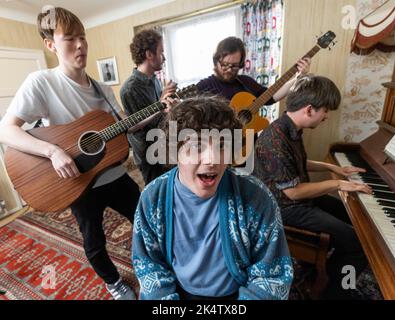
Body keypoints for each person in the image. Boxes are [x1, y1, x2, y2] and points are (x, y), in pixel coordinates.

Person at [0, 7, 143, 300]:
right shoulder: (41, 82)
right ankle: (114, 283)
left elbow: (120, 126)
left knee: (146, 220)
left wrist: (156, 111)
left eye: (83, 37)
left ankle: (151, 263)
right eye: (69, 39)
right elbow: (6, 130)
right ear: (50, 44)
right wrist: (51, 151)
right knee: (94, 241)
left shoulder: (103, 88)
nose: (80, 45)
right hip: (79, 183)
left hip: (114, 173)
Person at [132, 95, 293, 300]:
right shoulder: (153, 199)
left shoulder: (255, 197)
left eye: (222, 145)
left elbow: (272, 276)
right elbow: (150, 267)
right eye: (197, 146)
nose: (213, 159)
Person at [253, 75, 372, 299]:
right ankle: (337, 292)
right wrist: (337, 184)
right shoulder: (275, 138)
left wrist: (333, 168)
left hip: (295, 199)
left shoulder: (290, 128)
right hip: (284, 207)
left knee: (351, 218)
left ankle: (323, 269)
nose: (326, 116)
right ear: (309, 109)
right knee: (357, 243)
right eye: (325, 110)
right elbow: (293, 191)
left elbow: (296, 163)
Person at [120, 29, 177, 185]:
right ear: (149, 54)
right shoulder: (130, 88)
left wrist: (167, 100)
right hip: (149, 154)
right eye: (161, 52)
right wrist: (160, 104)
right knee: (157, 192)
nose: (164, 57)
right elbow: (134, 127)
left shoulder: (154, 79)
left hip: (164, 145)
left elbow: (160, 111)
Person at [196, 36, 311, 106]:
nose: (229, 70)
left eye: (235, 65)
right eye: (225, 65)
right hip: (220, 143)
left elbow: (271, 97)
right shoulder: (203, 87)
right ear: (216, 61)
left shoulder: (246, 82)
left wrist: (298, 78)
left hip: (249, 139)